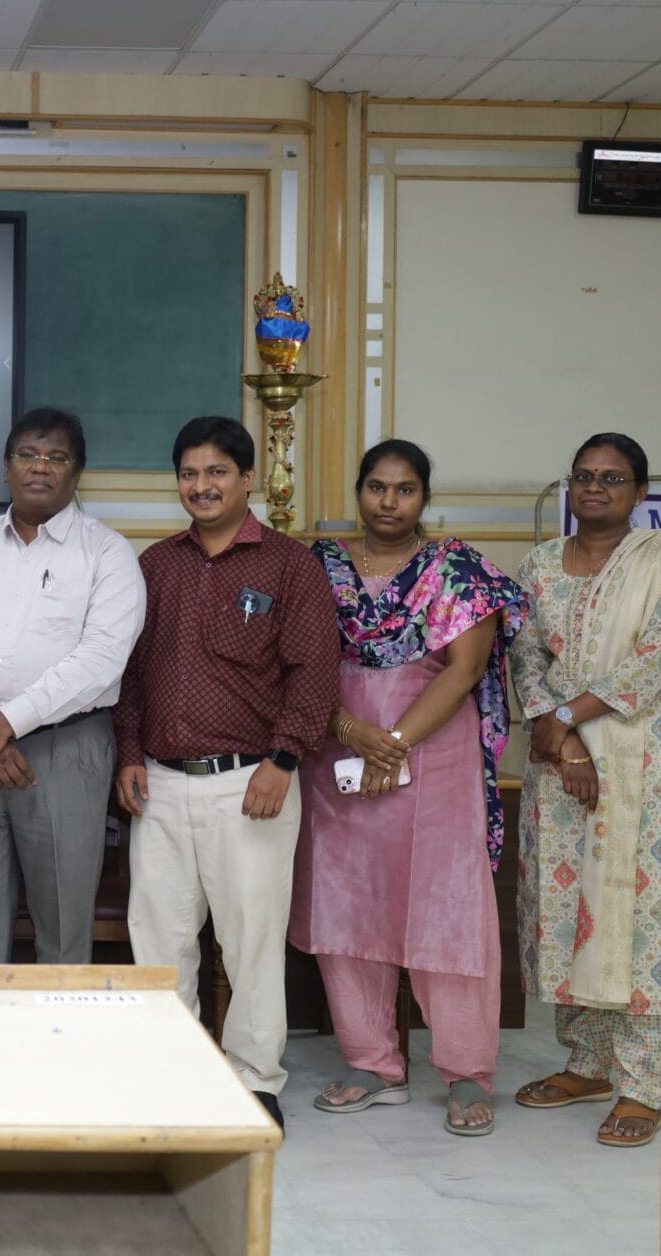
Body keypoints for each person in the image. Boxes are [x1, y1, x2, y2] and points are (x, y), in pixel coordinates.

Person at [289, 440, 528, 1136]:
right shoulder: (319, 567)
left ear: (425, 497)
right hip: (338, 758)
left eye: (405, 489)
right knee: (346, 904)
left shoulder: (457, 569)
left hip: (434, 757)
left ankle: (466, 1070)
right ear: (358, 492)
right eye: (376, 487)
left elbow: (465, 670)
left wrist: (392, 743)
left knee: (445, 908)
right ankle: (372, 1063)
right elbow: (296, 662)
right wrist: (349, 730)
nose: (388, 502)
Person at [114, 415, 340, 1128]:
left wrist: (283, 759)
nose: (201, 486)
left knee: (250, 942)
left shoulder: (289, 566)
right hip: (159, 784)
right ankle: (172, 1073)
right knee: (160, 939)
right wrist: (128, 754)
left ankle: (253, 1080)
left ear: (248, 479)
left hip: (252, 784)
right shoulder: (155, 566)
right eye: (189, 473)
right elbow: (129, 677)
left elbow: (314, 673)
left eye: (216, 472)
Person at [511, 433, 661, 1149]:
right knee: (571, 908)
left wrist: (569, 718)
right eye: (584, 476)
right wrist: (562, 737)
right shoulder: (539, 566)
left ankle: (642, 1083)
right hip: (560, 762)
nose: (595, 487)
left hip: (646, 762)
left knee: (641, 916)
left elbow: (657, 659)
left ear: (641, 492)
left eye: (612, 477)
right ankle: (589, 1064)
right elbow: (525, 656)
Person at [0, 408, 145, 963]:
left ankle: (57, 1025)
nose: (40, 467)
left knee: (63, 928)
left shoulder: (107, 553)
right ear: (6, 467)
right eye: (28, 455)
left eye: (56, 457)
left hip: (65, 750)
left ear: (77, 472)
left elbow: (101, 660)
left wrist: (5, 723)